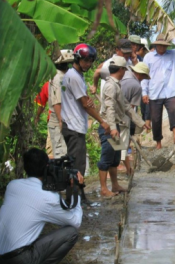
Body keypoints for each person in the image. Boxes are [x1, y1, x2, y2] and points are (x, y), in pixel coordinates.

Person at [0, 148, 83, 264]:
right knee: (71, 233)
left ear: (25, 168)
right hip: (18, 259)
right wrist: (75, 190)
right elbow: (76, 221)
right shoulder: (48, 197)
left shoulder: (12, 186)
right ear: (47, 168)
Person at [61, 43, 110, 204]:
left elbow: (88, 102)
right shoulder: (74, 77)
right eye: (86, 60)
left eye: (91, 61)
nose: (88, 64)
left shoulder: (76, 75)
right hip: (73, 126)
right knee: (77, 167)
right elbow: (85, 104)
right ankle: (73, 200)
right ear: (77, 58)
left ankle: (79, 197)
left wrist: (89, 103)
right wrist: (102, 121)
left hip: (74, 125)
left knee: (78, 164)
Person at [98, 56, 150, 197]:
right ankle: (104, 189)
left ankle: (115, 185)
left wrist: (141, 122)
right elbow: (109, 108)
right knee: (106, 158)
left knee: (114, 159)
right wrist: (113, 127)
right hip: (109, 128)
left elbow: (126, 107)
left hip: (115, 127)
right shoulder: (110, 86)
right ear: (121, 70)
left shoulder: (117, 84)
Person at [142, 34, 175, 149]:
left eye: (165, 45)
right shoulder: (148, 57)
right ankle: (158, 143)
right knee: (156, 119)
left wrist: (173, 39)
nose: (163, 48)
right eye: (160, 45)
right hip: (155, 92)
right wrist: (144, 92)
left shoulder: (172, 54)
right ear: (156, 45)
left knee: (173, 111)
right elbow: (144, 76)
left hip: (170, 91)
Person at [119, 61, 152, 177]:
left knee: (114, 144)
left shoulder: (123, 75)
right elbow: (130, 110)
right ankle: (125, 168)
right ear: (141, 75)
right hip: (122, 117)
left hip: (110, 115)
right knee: (122, 145)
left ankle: (124, 167)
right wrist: (141, 123)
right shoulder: (136, 86)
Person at [47, 49, 74, 159]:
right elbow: (57, 102)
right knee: (61, 154)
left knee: (65, 152)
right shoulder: (58, 78)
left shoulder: (62, 76)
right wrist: (60, 120)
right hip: (58, 121)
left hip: (63, 120)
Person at [34, 81, 53, 158]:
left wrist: (37, 117)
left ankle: (53, 168)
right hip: (71, 122)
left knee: (52, 151)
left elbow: (41, 105)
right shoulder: (71, 81)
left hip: (54, 122)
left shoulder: (48, 85)